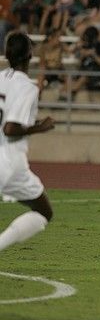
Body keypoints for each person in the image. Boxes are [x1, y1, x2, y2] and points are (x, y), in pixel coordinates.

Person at [0, 32, 56, 253]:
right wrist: (39, 127)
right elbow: (10, 128)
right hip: (10, 162)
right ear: (29, 55)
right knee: (44, 212)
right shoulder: (27, 88)